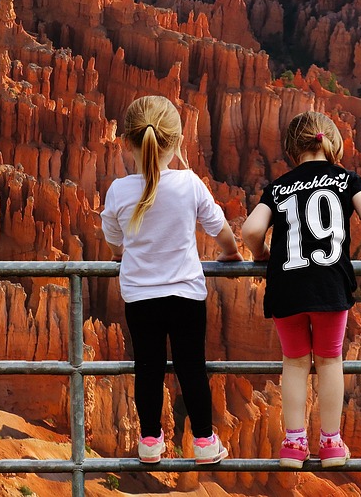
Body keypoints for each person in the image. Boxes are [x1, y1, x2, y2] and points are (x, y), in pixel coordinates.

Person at [242, 110, 361, 469]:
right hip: (330, 286)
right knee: (329, 360)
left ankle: (293, 444)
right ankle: (332, 443)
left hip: (286, 286)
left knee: (294, 362)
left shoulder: (277, 187)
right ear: (332, 143)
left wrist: (261, 254)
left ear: (293, 149)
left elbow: (249, 232)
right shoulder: (346, 179)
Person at [100, 95, 242, 465]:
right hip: (186, 297)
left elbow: (113, 238)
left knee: (147, 369)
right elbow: (219, 229)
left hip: (140, 300)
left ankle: (149, 442)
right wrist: (231, 253)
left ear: (127, 142)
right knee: (191, 368)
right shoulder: (189, 183)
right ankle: (205, 442)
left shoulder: (118, 191)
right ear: (178, 142)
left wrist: (120, 255)